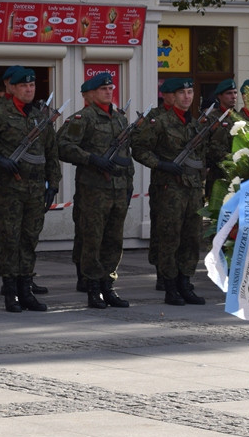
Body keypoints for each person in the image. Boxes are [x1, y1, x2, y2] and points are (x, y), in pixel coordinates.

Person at [0, 66, 60, 312]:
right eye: (23, 86)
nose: (29, 89)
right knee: (10, 239)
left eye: (32, 86)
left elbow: (51, 152)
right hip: (10, 189)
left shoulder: (40, 116)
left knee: (30, 238)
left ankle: (26, 289)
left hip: (35, 190)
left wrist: (54, 183)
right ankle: (11, 292)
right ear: (12, 88)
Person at [58, 72, 133, 309]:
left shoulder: (120, 119)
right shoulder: (83, 118)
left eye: (110, 88)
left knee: (114, 241)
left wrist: (129, 185)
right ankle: (92, 288)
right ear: (89, 94)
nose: (109, 91)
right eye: (103, 89)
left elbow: (126, 156)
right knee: (92, 240)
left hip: (118, 189)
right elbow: (62, 146)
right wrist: (91, 159)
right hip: (93, 191)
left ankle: (107, 286)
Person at [132, 77, 207, 306]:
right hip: (169, 189)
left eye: (190, 92)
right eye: (182, 92)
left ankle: (186, 282)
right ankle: (170, 285)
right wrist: (161, 165)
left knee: (192, 238)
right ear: (172, 96)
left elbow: (200, 155)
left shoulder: (194, 123)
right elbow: (139, 148)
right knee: (170, 238)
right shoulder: (159, 122)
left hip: (192, 190)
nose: (187, 96)